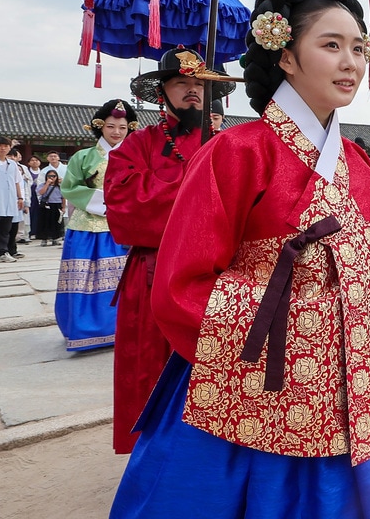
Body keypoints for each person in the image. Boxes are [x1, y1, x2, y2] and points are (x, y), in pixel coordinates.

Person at [110, 0, 370, 519]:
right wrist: (297, 331)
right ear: (286, 54)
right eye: (332, 46)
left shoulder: (360, 164)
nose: (351, 63)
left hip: (362, 392)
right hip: (260, 388)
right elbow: (181, 285)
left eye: (359, 48)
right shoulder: (235, 154)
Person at [104, 46, 236, 455]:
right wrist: (198, 193)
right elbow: (124, 205)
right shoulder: (136, 145)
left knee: (216, 375)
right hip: (153, 275)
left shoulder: (230, 144)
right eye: (182, 83)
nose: (193, 91)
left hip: (221, 277)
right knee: (151, 374)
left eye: (200, 84)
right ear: (163, 92)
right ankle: (153, 458)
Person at [57, 101, 138, 351]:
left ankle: (121, 329)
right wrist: (108, 201)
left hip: (123, 226)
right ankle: (83, 330)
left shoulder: (136, 156)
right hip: (87, 226)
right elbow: (70, 188)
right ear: (100, 127)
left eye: (122, 127)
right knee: (85, 279)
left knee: (121, 280)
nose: (116, 132)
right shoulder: (83, 157)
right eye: (111, 126)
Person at [38, 170, 65, 245]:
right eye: (49, 176)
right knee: (45, 222)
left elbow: (63, 197)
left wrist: (63, 207)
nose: (52, 178)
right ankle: (44, 238)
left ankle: (55, 238)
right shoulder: (42, 185)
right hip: (46, 205)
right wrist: (47, 184)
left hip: (56, 205)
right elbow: (40, 192)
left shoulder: (59, 187)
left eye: (54, 176)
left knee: (56, 223)